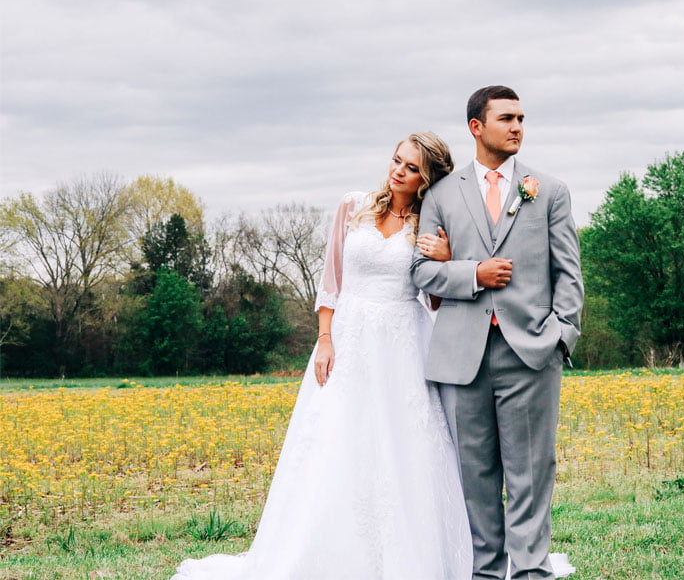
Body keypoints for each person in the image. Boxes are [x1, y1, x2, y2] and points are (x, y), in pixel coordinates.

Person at [171, 131, 472, 580]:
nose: (398, 171)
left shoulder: (430, 223)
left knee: (402, 444)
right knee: (335, 437)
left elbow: (435, 302)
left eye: (411, 168)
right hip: (349, 335)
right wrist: (326, 337)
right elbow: (331, 279)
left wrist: (445, 260)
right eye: (396, 160)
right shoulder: (354, 205)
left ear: (427, 179)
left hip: (402, 343)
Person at [412, 86, 584, 580]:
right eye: (506, 118)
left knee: (531, 473)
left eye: (521, 119)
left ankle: (531, 572)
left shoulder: (548, 190)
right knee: (476, 477)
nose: (517, 127)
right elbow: (421, 272)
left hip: (531, 352)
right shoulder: (441, 194)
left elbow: (568, 272)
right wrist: (472, 274)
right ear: (476, 127)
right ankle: (485, 572)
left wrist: (561, 336)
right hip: (461, 358)